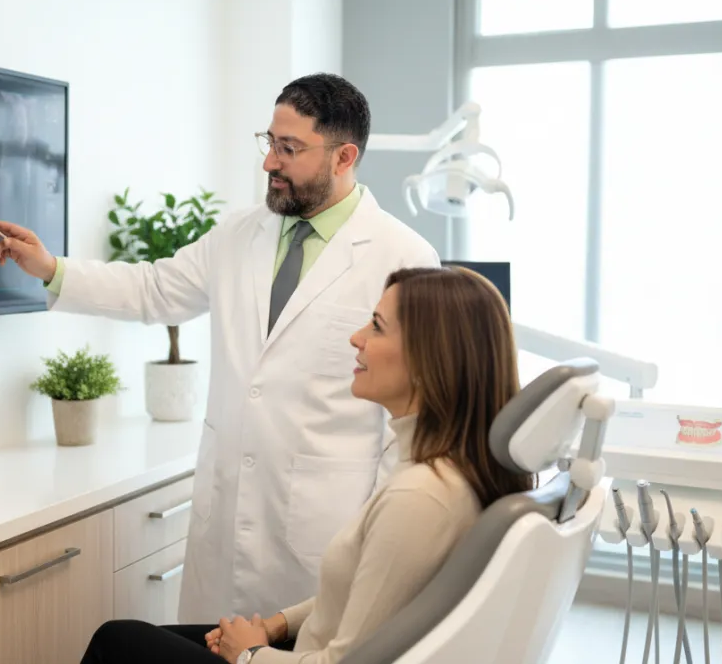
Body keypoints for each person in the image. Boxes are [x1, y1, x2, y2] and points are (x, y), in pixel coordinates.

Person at [0, 73, 441, 622]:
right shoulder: (239, 234)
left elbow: (412, 415)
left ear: (344, 157)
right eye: (269, 142)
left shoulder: (404, 255)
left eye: (289, 149)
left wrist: (381, 538)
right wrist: (51, 268)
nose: (269, 162)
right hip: (225, 527)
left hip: (325, 534)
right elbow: (154, 289)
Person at [76, 265, 535, 664]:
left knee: (117, 642)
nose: (356, 338)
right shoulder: (445, 472)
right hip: (298, 645)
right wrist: (275, 626)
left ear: (428, 359)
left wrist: (250, 653)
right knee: (149, 640)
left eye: (375, 326)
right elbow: (360, 597)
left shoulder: (421, 498)